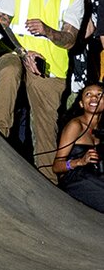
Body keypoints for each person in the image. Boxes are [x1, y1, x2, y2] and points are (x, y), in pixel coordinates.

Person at [0, 0, 86, 181]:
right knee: (10, 72)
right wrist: (23, 52)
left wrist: (47, 30)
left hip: (50, 68)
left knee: (45, 134)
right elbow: (1, 21)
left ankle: (48, 184)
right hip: (14, 51)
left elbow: (70, 39)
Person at [53, 83, 104, 213]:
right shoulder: (75, 126)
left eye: (99, 94)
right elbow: (56, 166)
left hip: (95, 177)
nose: (94, 98)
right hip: (75, 180)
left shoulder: (101, 129)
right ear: (81, 103)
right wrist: (80, 161)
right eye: (88, 94)